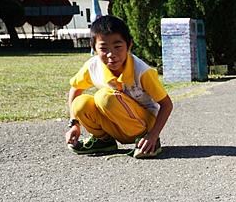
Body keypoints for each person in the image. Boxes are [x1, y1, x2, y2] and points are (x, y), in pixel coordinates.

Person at [65, 15, 173, 158]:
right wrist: (74, 124)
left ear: (129, 45)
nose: (111, 54)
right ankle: (104, 141)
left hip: (144, 125)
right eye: (103, 48)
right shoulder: (92, 66)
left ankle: (145, 142)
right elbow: (75, 90)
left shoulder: (141, 71)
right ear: (93, 48)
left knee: (103, 97)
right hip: (117, 124)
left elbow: (166, 104)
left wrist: (153, 135)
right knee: (80, 103)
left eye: (117, 47)